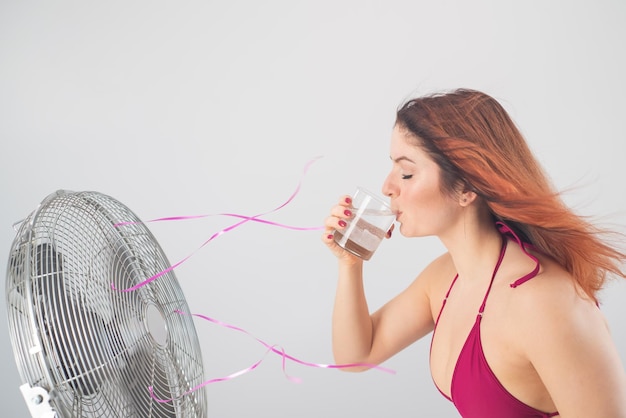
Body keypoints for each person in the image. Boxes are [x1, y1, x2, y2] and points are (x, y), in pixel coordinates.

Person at [322, 89, 626, 417]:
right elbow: (356, 356)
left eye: (406, 173)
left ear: (467, 188)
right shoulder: (444, 278)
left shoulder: (545, 303)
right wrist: (350, 263)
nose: (387, 186)